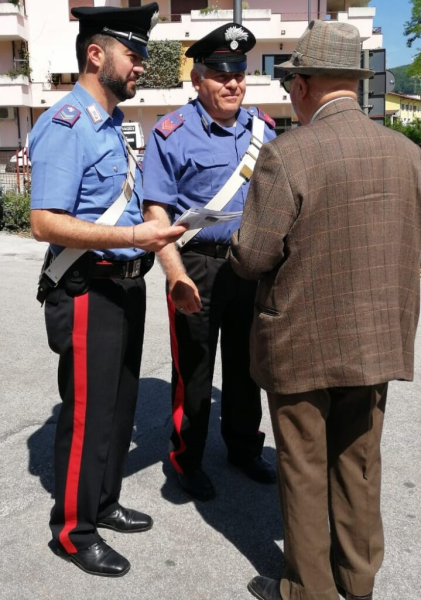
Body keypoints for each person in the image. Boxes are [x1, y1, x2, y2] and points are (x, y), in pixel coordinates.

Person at [230, 20, 421, 600]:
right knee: (360, 465)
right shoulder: (408, 155)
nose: (290, 92)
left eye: (292, 82)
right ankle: (358, 582)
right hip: (375, 341)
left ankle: (307, 590)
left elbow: (252, 256)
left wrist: (237, 240)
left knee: (304, 469)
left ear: (308, 83)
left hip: (300, 343)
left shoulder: (286, 156)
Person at [29, 3, 187, 578]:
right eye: (134, 53)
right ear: (97, 55)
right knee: (88, 414)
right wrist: (133, 234)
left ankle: (104, 501)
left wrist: (157, 247)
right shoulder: (66, 123)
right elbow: (44, 222)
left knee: (118, 410)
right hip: (87, 288)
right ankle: (72, 530)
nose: (142, 64)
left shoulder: (110, 125)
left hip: (125, 286)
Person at [142, 23, 277, 501]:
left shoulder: (263, 128)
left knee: (247, 366)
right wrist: (175, 274)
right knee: (195, 370)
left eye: (239, 73)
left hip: (248, 263)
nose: (232, 83)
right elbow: (155, 210)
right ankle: (187, 459)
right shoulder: (170, 133)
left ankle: (243, 448)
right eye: (221, 74)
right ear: (197, 80)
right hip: (195, 264)